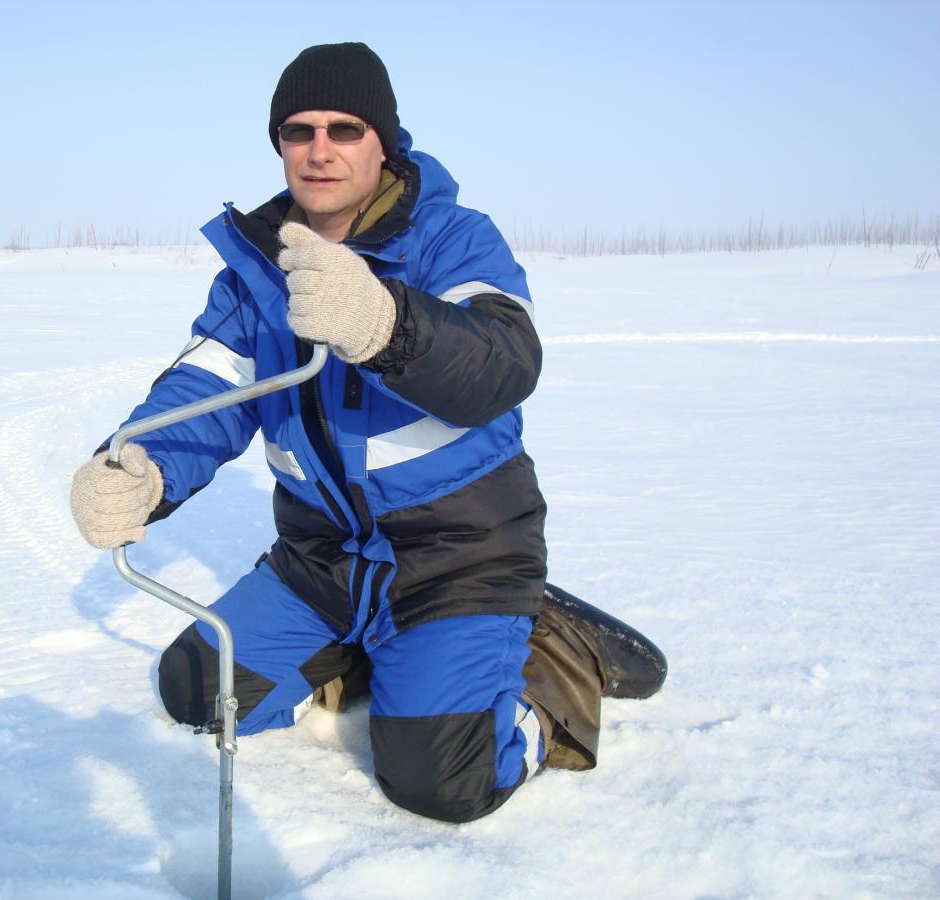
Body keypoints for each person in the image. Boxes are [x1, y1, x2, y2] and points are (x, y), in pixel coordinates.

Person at [70, 42, 664, 823]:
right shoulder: (256, 270)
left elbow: (503, 363)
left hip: (457, 558)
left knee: (440, 783)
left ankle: (544, 662)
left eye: (344, 129)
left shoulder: (453, 239)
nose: (320, 150)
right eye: (298, 130)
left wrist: (383, 321)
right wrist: (139, 466)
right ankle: (389, 655)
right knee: (197, 692)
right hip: (322, 563)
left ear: (383, 141)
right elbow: (205, 388)